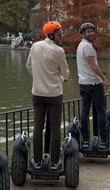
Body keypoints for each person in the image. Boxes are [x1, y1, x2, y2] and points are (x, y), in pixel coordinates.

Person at [26, 21, 69, 169]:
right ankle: (54, 161)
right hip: (54, 94)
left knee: (38, 127)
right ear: (51, 34)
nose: (61, 36)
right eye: (59, 34)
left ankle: (37, 161)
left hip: (37, 93)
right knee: (55, 128)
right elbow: (66, 73)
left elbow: (28, 66)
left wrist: (39, 77)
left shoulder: (35, 46)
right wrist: (60, 78)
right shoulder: (59, 51)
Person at [77, 22, 109, 149]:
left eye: (92, 31)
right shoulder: (88, 47)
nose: (91, 33)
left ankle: (85, 139)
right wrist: (104, 78)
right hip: (93, 83)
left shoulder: (80, 45)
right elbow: (93, 65)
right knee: (101, 111)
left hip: (83, 83)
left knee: (85, 111)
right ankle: (103, 139)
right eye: (88, 31)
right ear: (83, 33)